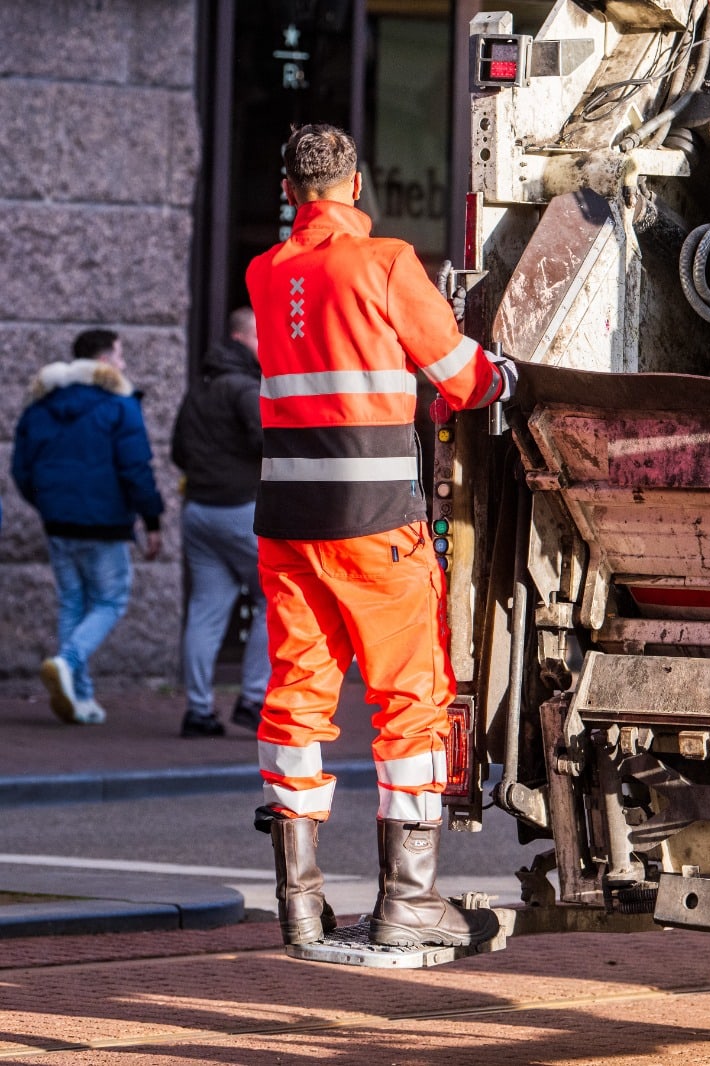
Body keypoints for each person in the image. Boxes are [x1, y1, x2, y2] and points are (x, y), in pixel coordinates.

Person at [246, 124, 522, 949]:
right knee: (410, 703)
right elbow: (464, 381)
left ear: (290, 189)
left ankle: (299, 905)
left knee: (297, 698)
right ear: (356, 183)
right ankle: (407, 903)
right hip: (374, 525)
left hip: (288, 527)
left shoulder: (266, 273)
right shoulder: (387, 263)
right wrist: (509, 374)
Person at [11, 330, 165, 725]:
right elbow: (135, 468)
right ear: (104, 359)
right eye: (120, 354)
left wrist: (48, 504)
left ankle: (80, 697)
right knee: (111, 600)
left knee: (73, 603)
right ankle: (68, 661)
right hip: (105, 522)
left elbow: (21, 469)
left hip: (58, 522)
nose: (124, 363)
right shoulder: (119, 405)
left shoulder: (40, 405)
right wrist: (151, 519)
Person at [171, 307, 269, 738]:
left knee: (206, 611)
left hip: (198, 511)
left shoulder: (200, 388)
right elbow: (270, 443)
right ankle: (252, 700)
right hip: (240, 510)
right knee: (277, 597)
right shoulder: (245, 388)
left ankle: (198, 711)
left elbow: (177, 451)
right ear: (246, 337)